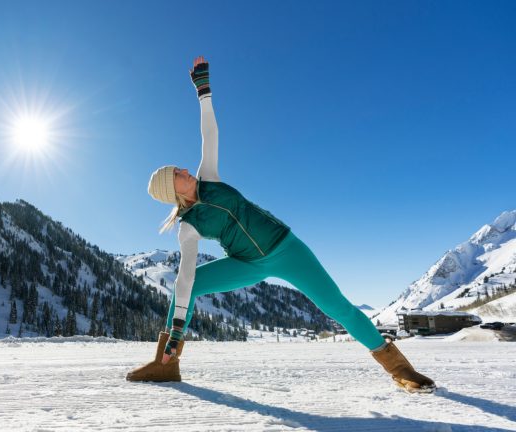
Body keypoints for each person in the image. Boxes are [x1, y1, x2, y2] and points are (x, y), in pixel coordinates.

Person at [126, 56, 436, 394]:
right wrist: (177, 330)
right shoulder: (188, 226)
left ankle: (400, 369)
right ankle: (166, 364)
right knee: (185, 287)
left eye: (180, 169)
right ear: (173, 191)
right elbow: (186, 276)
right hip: (246, 263)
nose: (185, 171)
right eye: (177, 175)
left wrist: (204, 91)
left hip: (286, 249)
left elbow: (210, 133)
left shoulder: (209, 177)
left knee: (338, 307)